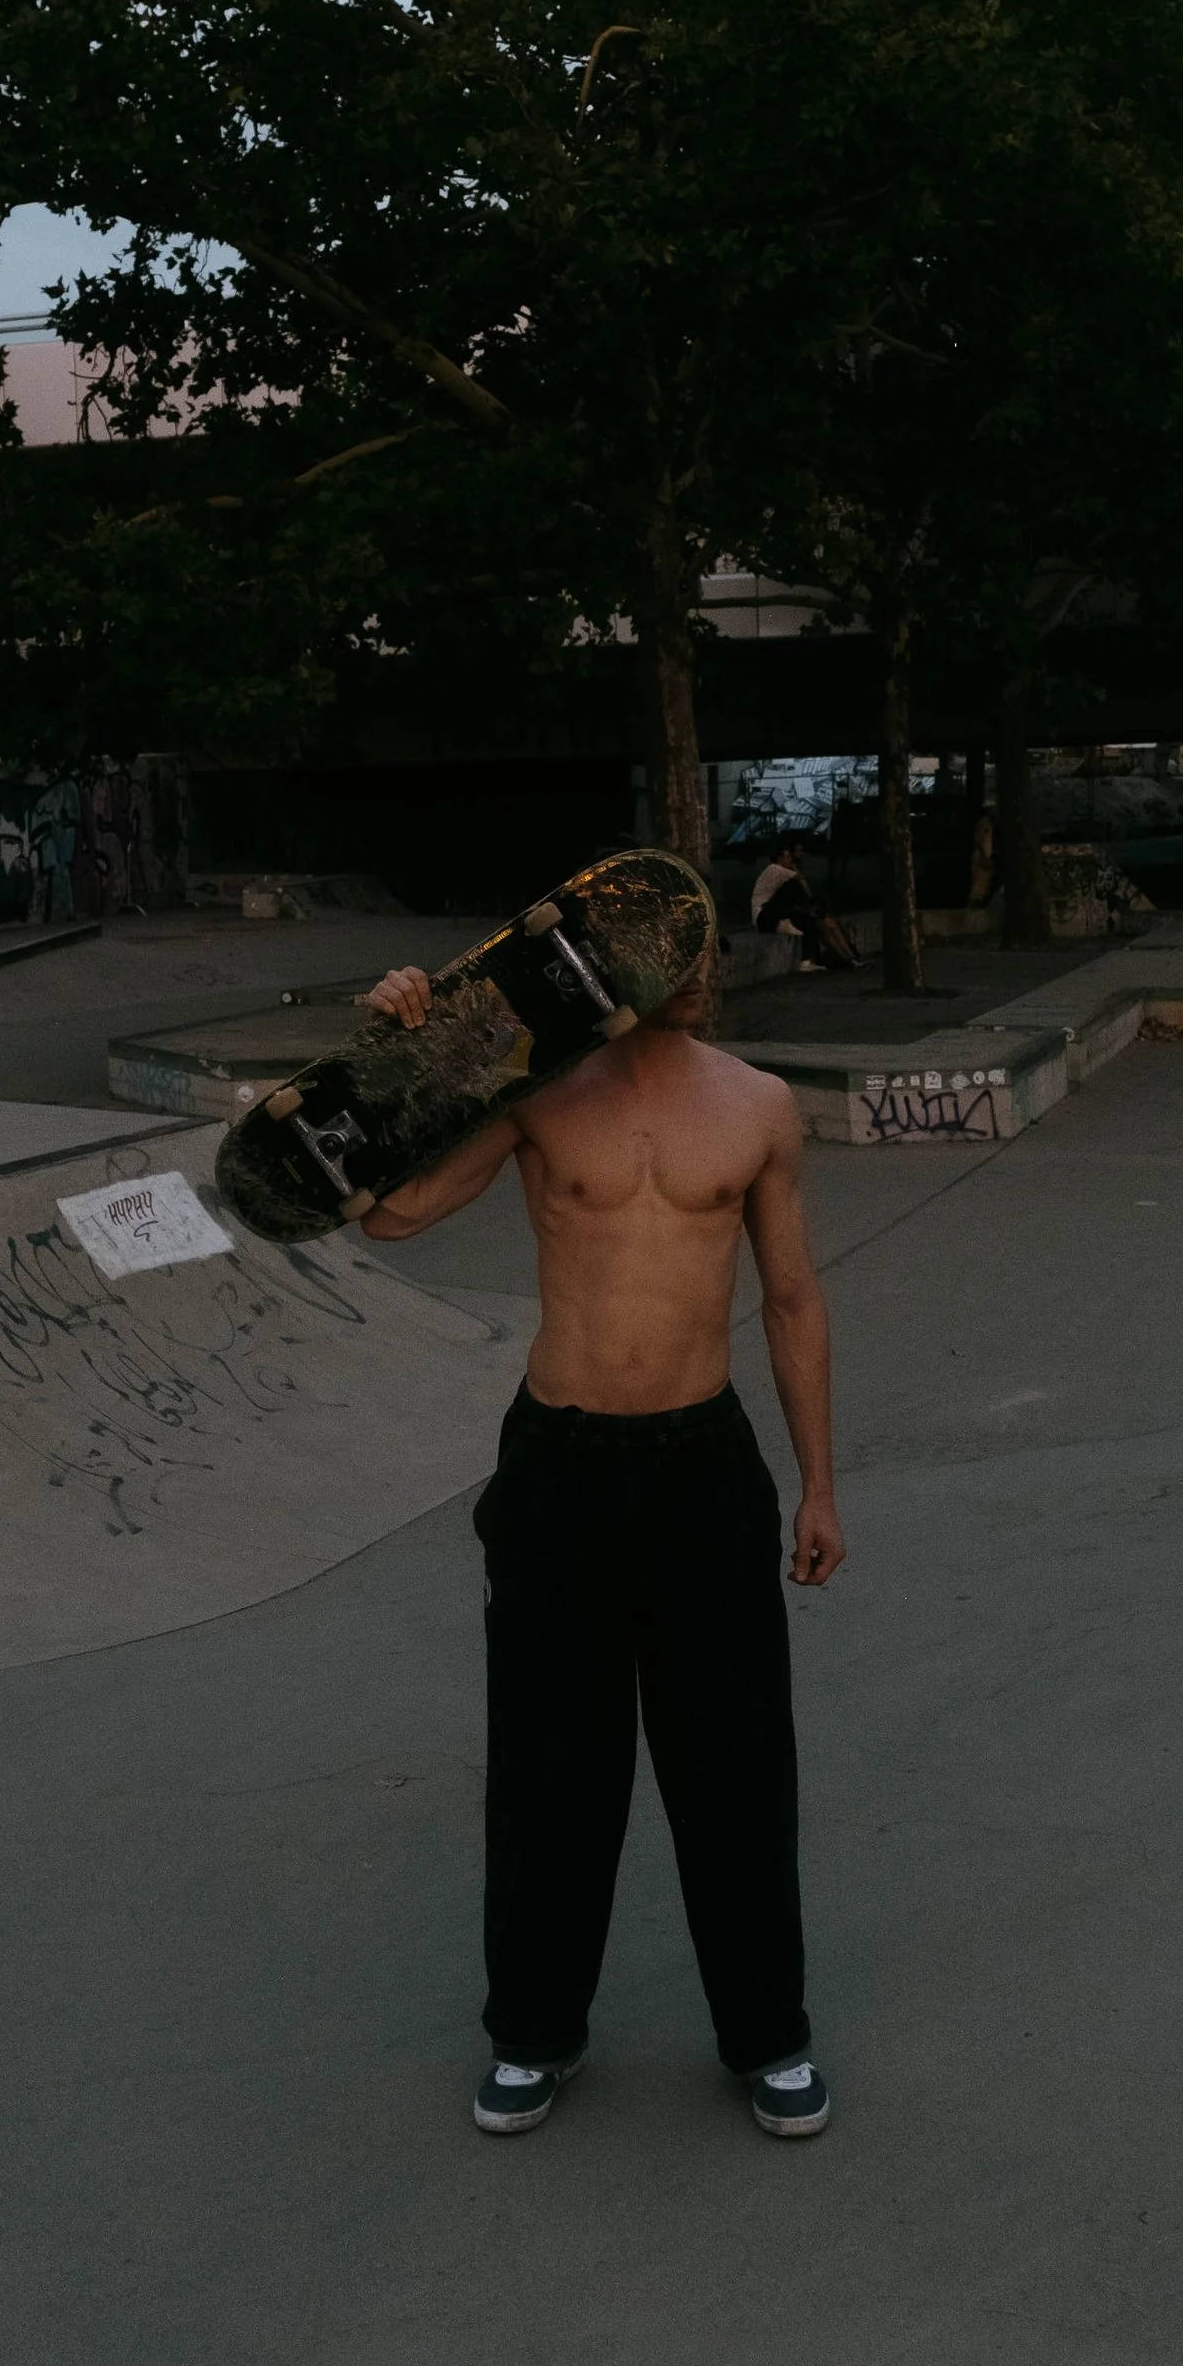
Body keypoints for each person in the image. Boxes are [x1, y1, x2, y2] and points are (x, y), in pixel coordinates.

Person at [357, 945, 845, 2141]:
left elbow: (790, 1297)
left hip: (702, 1469)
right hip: (560, 1469)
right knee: (547, 1765)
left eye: (705, 943)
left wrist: (819, 1485)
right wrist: (395, 1056)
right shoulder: (538, 1088)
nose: (697, 970)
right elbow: (392, 1211)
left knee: (733, 1765)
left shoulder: (757, 1104)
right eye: (667, 950)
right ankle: (533, 2031)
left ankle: (767, 2033)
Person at [747, 835, 861, 973]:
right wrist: (811, 899)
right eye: (788, 858)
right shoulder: (775, 870)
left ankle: (849, 959)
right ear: (779, 860)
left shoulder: (780, 874)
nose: (791, 860)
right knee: (814, 923)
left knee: (818, 924)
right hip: (765, 916)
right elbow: (802, 882)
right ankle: (838, 960)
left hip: (770, 914)